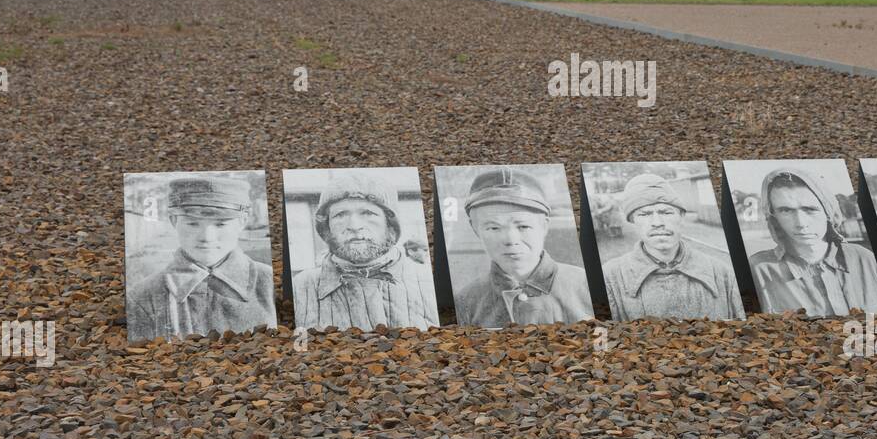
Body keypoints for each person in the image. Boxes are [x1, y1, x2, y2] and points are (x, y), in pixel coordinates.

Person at [127, 176, 276, 341]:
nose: (206, 237)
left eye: (221, 224)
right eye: (192, 223)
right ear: (174, 220)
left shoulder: (270, 283)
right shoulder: (143, 296)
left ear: (242, 221)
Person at [292, 174, 438, 331]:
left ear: (390, 223)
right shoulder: (301, 287)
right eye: (340, 215)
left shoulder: (429, 282)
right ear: (326, 227)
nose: (354, 226)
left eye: (368, 213)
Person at [458, 168, 594, 326]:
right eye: (493, 228)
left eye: (523, 226)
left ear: (544, 226)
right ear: (476, 230)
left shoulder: (585, 285)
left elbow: (603, 345)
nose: (510, 240)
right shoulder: (465, 300)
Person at [747, 168, 877, 316]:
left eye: (810, 209)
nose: (801, 223)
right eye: (786, 211)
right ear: (773, 216)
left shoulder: (865, 259)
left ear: (828, 211)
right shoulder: (759, 269)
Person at [603, 173, 744, 321]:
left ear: (681, 216)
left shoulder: (722, 273)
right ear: (632, 221)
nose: (657, 222)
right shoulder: (610, 278)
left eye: (666, 212)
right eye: (644, 214)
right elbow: (602, 341)